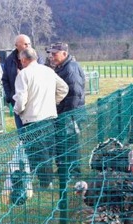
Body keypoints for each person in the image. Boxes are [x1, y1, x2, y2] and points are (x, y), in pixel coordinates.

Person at [12, 47, 68, 189]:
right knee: (48, 149)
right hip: (49, 117)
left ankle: (45, 183)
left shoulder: (23, 74)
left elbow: (21, 98)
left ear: (24, 59)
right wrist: (53, 102)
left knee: (37, 152)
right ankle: (47, 180)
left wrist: (18, 110)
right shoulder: (48, 71)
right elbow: (63, 88)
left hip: (33, 119)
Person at [48, 42, 85, 177]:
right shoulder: (62, 67)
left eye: (55, 54)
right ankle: (66, 169)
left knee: (70, 143)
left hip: (70, 114)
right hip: (66, 112)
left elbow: (75, 93)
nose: (52, 56)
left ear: (64, 53)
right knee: (65, 143)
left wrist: (67, 114)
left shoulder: (70, 68)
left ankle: (73, 171)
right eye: (51, 54)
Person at [2, 34, 32, 130]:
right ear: (17, 45)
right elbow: (5, 80)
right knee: (22, 132)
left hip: (33, 101)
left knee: (35, 134)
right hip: (17, 101)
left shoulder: (36, 57)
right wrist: (10, 96)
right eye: (25, 44)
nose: (28, 46)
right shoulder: (9, 60)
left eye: (29, 44)